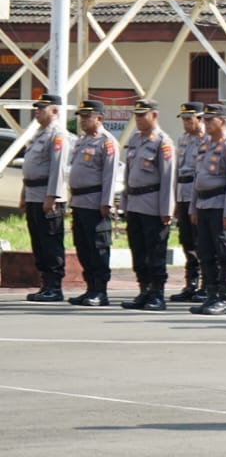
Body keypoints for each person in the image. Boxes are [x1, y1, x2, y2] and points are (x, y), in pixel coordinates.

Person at [119, 99, 177, 310]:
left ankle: (157, 294)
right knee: (138, 250)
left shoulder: (163, 142)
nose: (139, 119)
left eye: (143, 114)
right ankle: (144, 290)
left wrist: (166, 209)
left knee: (155, 251)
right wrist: (124, 203)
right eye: (136, 115)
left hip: (153, 205)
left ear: (154, 115)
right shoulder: (135, 140)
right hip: (135, 203)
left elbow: (168, 178)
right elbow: (128, 174)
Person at [189, 104, 226, 315]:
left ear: (223, 120)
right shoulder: (205, 145)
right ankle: (211, 295)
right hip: (203, 205)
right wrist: (194, 208)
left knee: (224, 253)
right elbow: (197, 178)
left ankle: (224, 298)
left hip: (220, 206)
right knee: (206, 253)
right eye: (205, 119)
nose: (206, 123)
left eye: (211, 119)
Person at [19, 93, 72, 303]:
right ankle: (45, 284)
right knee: (39, 242)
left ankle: (54, 286)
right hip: (34, 195)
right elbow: (30, 169)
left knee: (50, 243)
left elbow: (57, 169)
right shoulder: (39, 134)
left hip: (47, 196)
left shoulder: (57, 135)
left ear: (55, 111)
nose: (37, 111)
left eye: (42, 108)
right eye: (37, 108)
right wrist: (24, 195)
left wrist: (52, 197)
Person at [67, 100, 119, 307]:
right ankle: (90, 288)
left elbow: (110, 175)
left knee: (98, 248)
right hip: (79, 202)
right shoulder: (82, 141)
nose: (83, 120)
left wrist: (106, 202)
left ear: (99, 118)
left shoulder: (106, 141)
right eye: (81, 116)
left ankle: (100, 291)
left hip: (95, 202)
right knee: (83, 247)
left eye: (87, 116)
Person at [170, 102, 207, 303]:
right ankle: (191, 283)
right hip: (183, 194)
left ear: (200, 119)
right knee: (187, 241)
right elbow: (177, 171)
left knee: (202, 242)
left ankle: (206, 285)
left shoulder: (207, 140)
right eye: (183, 119)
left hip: (197, 194)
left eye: (189, 119)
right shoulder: (183, 139)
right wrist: (176, 201)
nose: (185, 123)